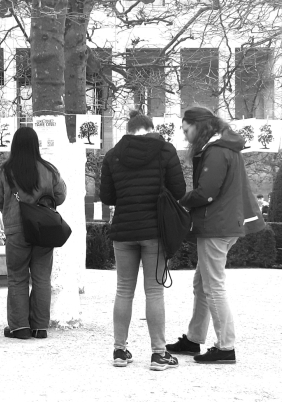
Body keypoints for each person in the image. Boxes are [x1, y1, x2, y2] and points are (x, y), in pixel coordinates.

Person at [166, 107, 266, 365]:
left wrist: (179, 200)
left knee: (213, 286)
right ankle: (194, 338)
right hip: (222, 223)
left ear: (198, 126)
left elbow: (206, 192)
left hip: (216, 226)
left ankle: (226, 347)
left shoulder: (216, 151)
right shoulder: (224, 147)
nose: (184, 134)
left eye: (186, 128)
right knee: (203, 284)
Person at [100, 111, 185, 371]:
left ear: (129, 129)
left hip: (124, 231)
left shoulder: (112, 155)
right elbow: (179, 190)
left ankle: (120, 350)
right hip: (155, 231)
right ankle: (159, 354)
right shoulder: (165, 150)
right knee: (154, 291)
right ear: (150, 128)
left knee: (124, 290)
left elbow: (107, 196)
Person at [0, 127, 66, 340]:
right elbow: (61, 195)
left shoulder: (5, 171)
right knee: (42, 278)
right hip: (43, 231)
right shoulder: (48, 170)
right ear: (35, 145)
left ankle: (19, 327)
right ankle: (40, 327)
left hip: (16, 231)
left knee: (17, 277)